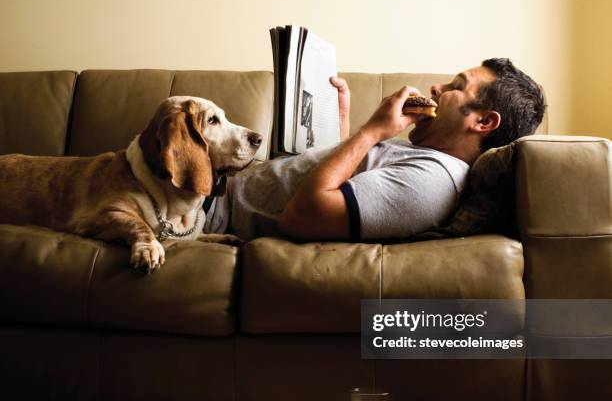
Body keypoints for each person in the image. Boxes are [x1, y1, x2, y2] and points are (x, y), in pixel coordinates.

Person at [203, 58, 545, 242]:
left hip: (214, 212)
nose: (436, 88)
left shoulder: (432, 184)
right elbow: (332, 177)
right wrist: (342, 127)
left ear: (484, 122)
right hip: (218, 185)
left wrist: (371, 131)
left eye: (456, 87)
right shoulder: (426, 156)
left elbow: (303, 216)